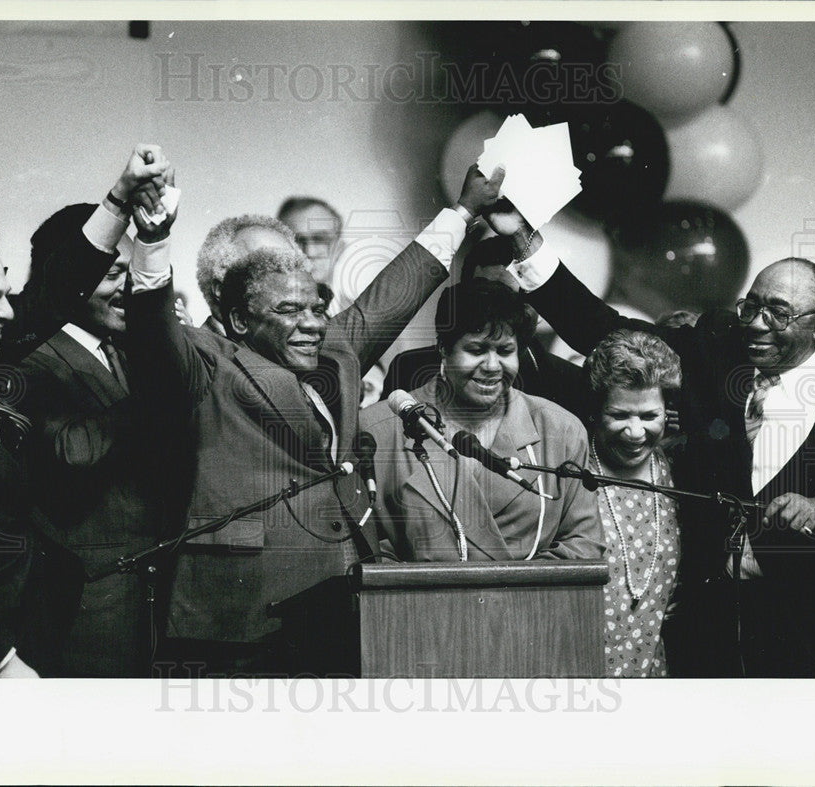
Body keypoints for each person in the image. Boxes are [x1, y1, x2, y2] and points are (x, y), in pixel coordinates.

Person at [125, 164, 506, 675]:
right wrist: (152, 241)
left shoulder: (327, 346)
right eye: (271, 276)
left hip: (339, 597)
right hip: (239, 617)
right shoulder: (199, 357)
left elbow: (393, 295)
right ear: (231, 300)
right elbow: (151, 335)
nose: (308, 317)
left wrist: (463, 211)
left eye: (312, 303)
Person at [499, 208, 815, 677]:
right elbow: (600, 328)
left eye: (778, 312)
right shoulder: (717, 348)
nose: (756, 324)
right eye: (750, 306)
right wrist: (518, 235)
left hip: (810, 636)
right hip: (702, 630)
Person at [0, 146, 167, 678]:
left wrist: (120, 195)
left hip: (38, 637)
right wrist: (0, 661)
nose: (11, 311)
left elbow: (56, 291)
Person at [17, 177, 181, 677]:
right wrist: (161, 391)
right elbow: (74, 451)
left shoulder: (130, 349)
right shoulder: (27, 359)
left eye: (131, 274)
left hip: (160, 600)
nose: (127, 289)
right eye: (112, 274)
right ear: (70, 280)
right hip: (88, 610)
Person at [361, 278, 604, 562]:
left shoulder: (562, 431)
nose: (491, 367)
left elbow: (584, 546)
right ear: (443, 349)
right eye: (476, 350)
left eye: (505, 351)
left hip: (531, 604)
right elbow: (365, 555)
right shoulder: (376, 431)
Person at [382, 235, 591, 423]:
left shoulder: (569, 383)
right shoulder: (410, 368)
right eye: (484, 297)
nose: (499, 312)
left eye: (515, 299)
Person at [583, 330, 682, 678]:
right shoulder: (572, 470)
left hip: (652, 675)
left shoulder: (677, 470)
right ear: (595, 411)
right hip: (581, 675)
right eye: (620, 415)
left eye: (649, 416)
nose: (635, 432)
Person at [195, 213, 298, 336]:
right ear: (221, 290)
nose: (289, 282)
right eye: (265, 270)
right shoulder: (196, 352)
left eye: (292, 266)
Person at [277, 195, 343, 287]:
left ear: (340, 248)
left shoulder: (359, 300)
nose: (309, 252)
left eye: (320, 239)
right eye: (296, 240)